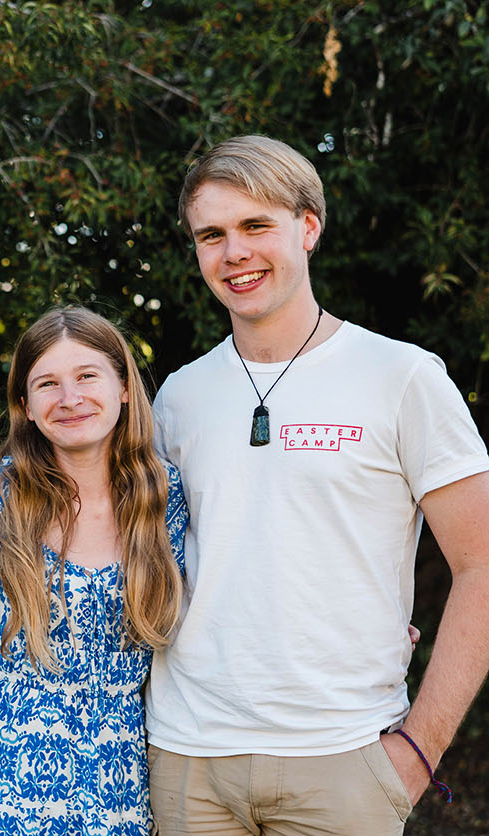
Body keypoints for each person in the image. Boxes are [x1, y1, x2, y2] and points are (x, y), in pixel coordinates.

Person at [146, 134, 489, 835]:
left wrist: (417, 752)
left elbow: (483, 564)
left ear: (308, 227)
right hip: (188, 760)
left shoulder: (403, 378)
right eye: (211, 235)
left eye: (254, 226)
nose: (233, 253)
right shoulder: (179, 397)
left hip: (343, 759)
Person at [0, 306, 187, 835]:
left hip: (126, 770)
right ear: (25, 405)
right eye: (47, 383)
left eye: (87, 376)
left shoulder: (166, 496)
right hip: (6, 772)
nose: (70, 399)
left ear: (122, 386)